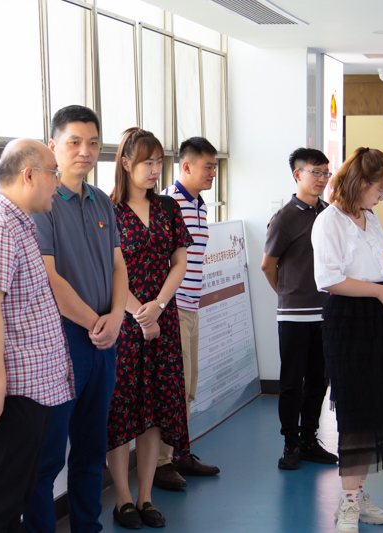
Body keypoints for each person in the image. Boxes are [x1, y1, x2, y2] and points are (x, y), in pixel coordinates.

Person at [0, 139, 75, 533]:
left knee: (13, 500)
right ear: (29, 175)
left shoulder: (18, 224)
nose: (58, 183)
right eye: (53, 173)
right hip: (11, 394)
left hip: (29, 390)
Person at [23, 105, 129, 533]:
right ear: (53, 146)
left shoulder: (102, 200)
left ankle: (88, 527)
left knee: (91, 450)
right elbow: (49, 278)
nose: (85, 151)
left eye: (93, 143)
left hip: (105, 341)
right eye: (74, 142)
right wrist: (95, 322)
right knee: (46, 459)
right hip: (62, 342)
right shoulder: (41, 204)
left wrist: (117, 316)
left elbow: (119, 265)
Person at [312, 147, 383, 533]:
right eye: (380, 188)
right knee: (354, 412)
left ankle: (356, 495)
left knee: (375, 410)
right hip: (349, 321)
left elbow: (374, 264)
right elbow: (329, 280)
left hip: (378, 319)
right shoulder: (329, 221)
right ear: (359, 183)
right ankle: (348, 504)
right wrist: (378, 290)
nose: (382, 196)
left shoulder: (369, 216)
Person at [106, 127, 194, 530]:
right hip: (123, 322)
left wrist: (157, 307)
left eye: (159, 161)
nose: (156, 169)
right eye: (147, 162)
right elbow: (109, 270)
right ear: (126, 163)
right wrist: (139, 313)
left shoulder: (168, 208)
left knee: (156, 409)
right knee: (122, 410)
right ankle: (123, 499)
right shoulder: (108, 211)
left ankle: (145, 496)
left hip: (163, 317)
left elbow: (180, 261)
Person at [261, 148, 339, 470]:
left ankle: (309, 439)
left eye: (326, 173)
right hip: (294, 315)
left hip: (325, 312)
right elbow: (268, 266)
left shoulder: (329, 213)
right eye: (315, 172)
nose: (322, 179)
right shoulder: (284, 218)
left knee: (319, 379)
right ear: (298, 175)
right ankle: (290, 443)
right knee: (292, 381)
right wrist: (286, 294)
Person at [153, 137, 221, 490]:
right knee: (174, 389)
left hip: (193, 307)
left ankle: (179, 453)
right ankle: (162, 463)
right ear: (186, 166)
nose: (213, 173)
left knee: (189, 388)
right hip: (172, 308)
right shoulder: (168, 204)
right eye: (208, 166)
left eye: (215, 167)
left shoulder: (200, 205)